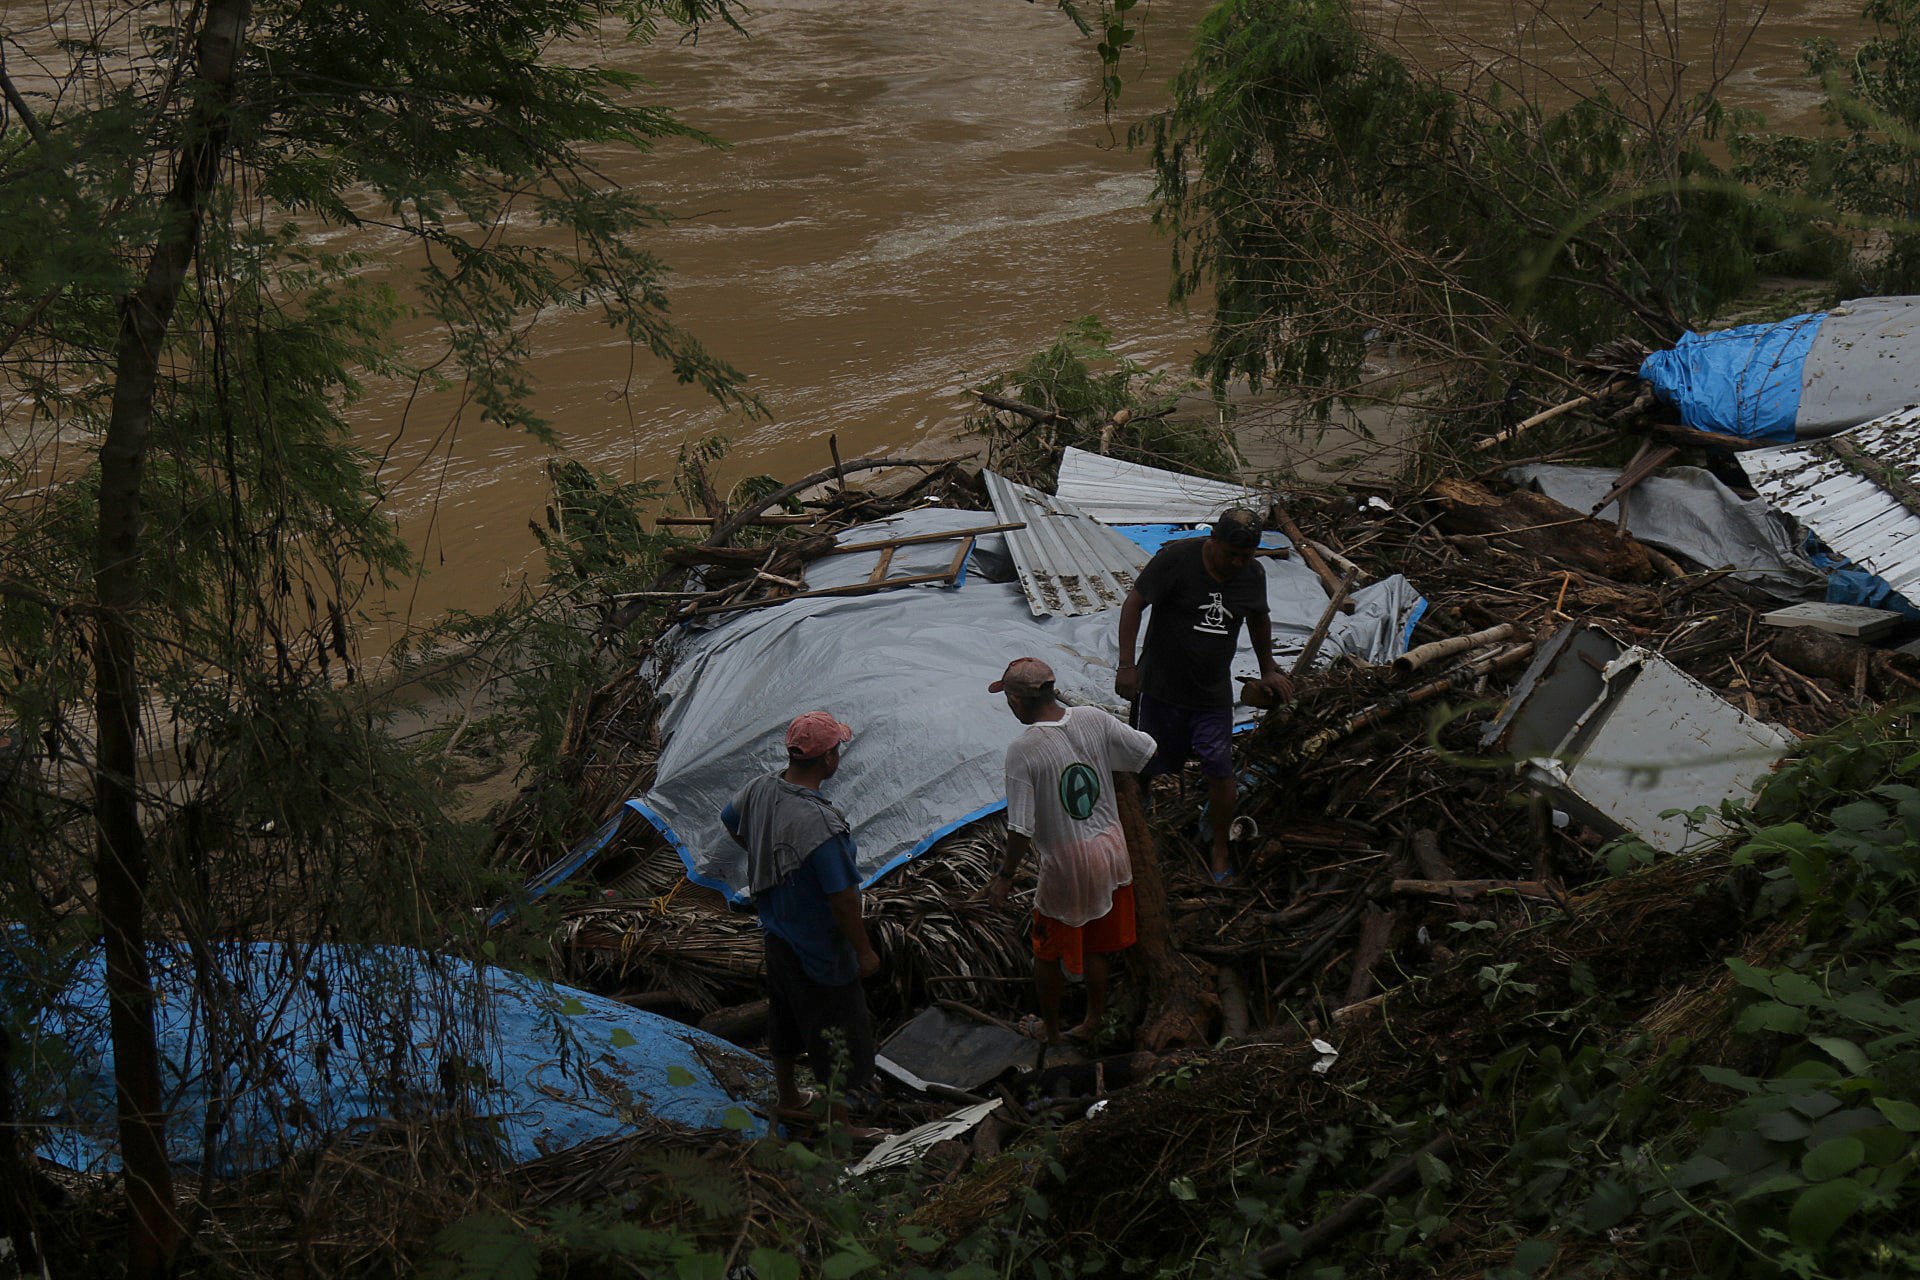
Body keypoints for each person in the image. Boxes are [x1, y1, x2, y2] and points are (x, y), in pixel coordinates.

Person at [720, 710, 882, 1138]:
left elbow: (728, 818)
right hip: (819, 944)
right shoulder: (821, 825)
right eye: (837, 750)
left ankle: (789, 1096)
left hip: (777, 931)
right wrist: (863, 951)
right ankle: (839, 1124)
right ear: (828, 759)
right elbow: (843, 898)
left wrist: (758, 846)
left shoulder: (760, 789)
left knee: (786, 1016)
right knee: (835, 1031)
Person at [1114, 506, 1294, 881]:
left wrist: (1268, 669)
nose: (1238, 562)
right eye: (1232, 554)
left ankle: (1218, 846)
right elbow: (1133, 604)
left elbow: (1259, 618)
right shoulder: (1176, 560)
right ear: (1213, 541)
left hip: (1211, 692)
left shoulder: (1251, 574)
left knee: (1219, 767)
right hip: (1160, 686)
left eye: (1246, 556)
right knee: (1147, 757)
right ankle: (1138, 819)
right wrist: (1127, 665)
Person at [986, 657, 1158, 1044]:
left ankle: (1050, 1031)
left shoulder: (1023, 750)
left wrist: (1005, 876)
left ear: (1015, 701)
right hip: (1112, 848)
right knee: (1097, 941)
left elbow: (1020, 828)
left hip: (1068, 862)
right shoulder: (1091, 719)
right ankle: (1093, 1020)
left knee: (1047, 952)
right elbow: (1145, 750)